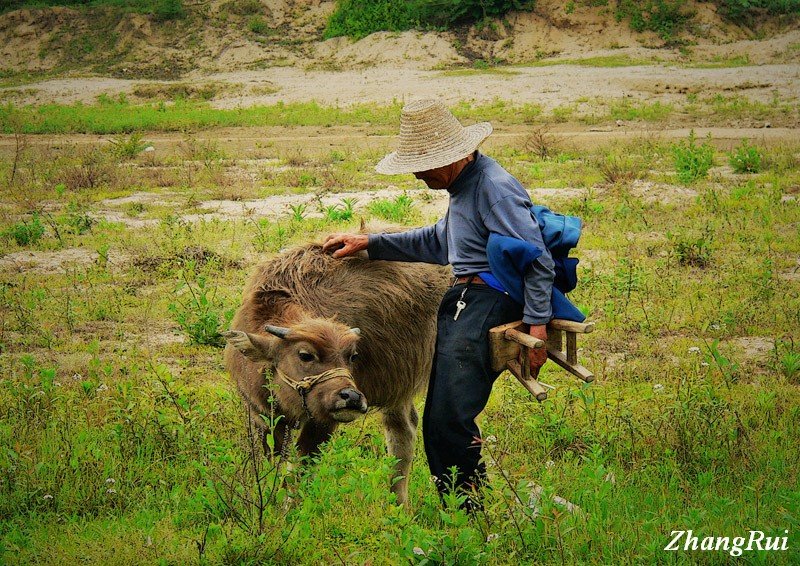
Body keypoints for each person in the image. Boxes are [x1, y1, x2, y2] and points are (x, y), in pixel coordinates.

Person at [322, 99, 554, 507]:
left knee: (448, 421)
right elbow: (439, 242)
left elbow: (536, 258)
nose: (419, 173)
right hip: (463, 299)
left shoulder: (493, 189)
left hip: (485, 302)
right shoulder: (463, 187)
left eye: (426, 163)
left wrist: (537, 325)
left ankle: (469, 512)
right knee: (442, 420)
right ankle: (465, 509)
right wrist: (370, 244)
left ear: (457, 154)